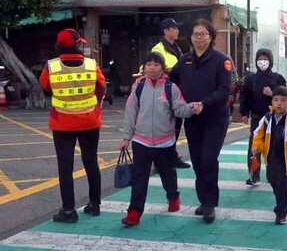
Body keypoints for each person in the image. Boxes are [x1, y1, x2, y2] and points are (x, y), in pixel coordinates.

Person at [118, 52, 195, 226]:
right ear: (144, 67)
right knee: (139, 178)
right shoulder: (138, 87)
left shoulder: (171, 88)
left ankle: (173, 197)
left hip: (165, 142)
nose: (152, 67)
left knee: (168, 174)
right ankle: (134, 212)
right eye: (149, 64)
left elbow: (179, 109)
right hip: (141, 142)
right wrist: (126, 138)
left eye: (156, 64)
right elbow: (131, 113)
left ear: (162, 68)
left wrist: (192, 108)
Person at [39, 29, 106, 223]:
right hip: (89, 122)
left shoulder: (51, 67)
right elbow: (101, 89)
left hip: (63, 123)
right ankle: (94, 205)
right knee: (91, 162)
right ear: (77, 44)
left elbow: (45, 88)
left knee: (65, 167)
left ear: (58, 46)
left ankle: (68, 211)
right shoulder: (92, 65)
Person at [169, 19, 232, 223]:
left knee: (208, 159)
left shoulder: (221, 60)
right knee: (197, 161)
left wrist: (204, 103)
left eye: (203, 34)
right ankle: (203, 200)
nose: (199, 37)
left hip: (215, 118)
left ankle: (210, 203)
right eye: (195, 34)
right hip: (193, 119)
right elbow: (172, 80)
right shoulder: (185, 60)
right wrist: (151, 77)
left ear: (211, 37)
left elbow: (224, 90)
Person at [251, 86, 287, 224]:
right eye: (276, 100)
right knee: (272, 180)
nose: (279, 103)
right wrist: (257, 146)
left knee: (282, 185)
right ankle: (280, 203)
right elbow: (258, 134)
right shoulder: (267, 118)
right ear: (272, 101)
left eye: (283, 100)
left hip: (285, 160)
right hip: (270, 158)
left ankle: (281, 211)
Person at [239, 48, 286, 185]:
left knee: (275, 146)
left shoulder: (278, 78)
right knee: (254, 146)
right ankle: (254, 174)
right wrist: (243, 113)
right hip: (257, 117)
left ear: (270, 61)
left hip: (275, 118)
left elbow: (285, 97)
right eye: (260, 59)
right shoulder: (251, 79)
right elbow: (244, 96)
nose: (263, 62)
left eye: (265, 59)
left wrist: (272, 94)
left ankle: (276, 173)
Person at [150, 18, 190, 169]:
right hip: (164, 92)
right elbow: (154, 69)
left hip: (178, 91)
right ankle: (160, 162)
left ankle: (172, 157)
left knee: (176, 126)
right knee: (165, 127)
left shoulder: (176, 47)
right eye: (175, 28)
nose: (178, 31)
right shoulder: (158, 49)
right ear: (166, 31)